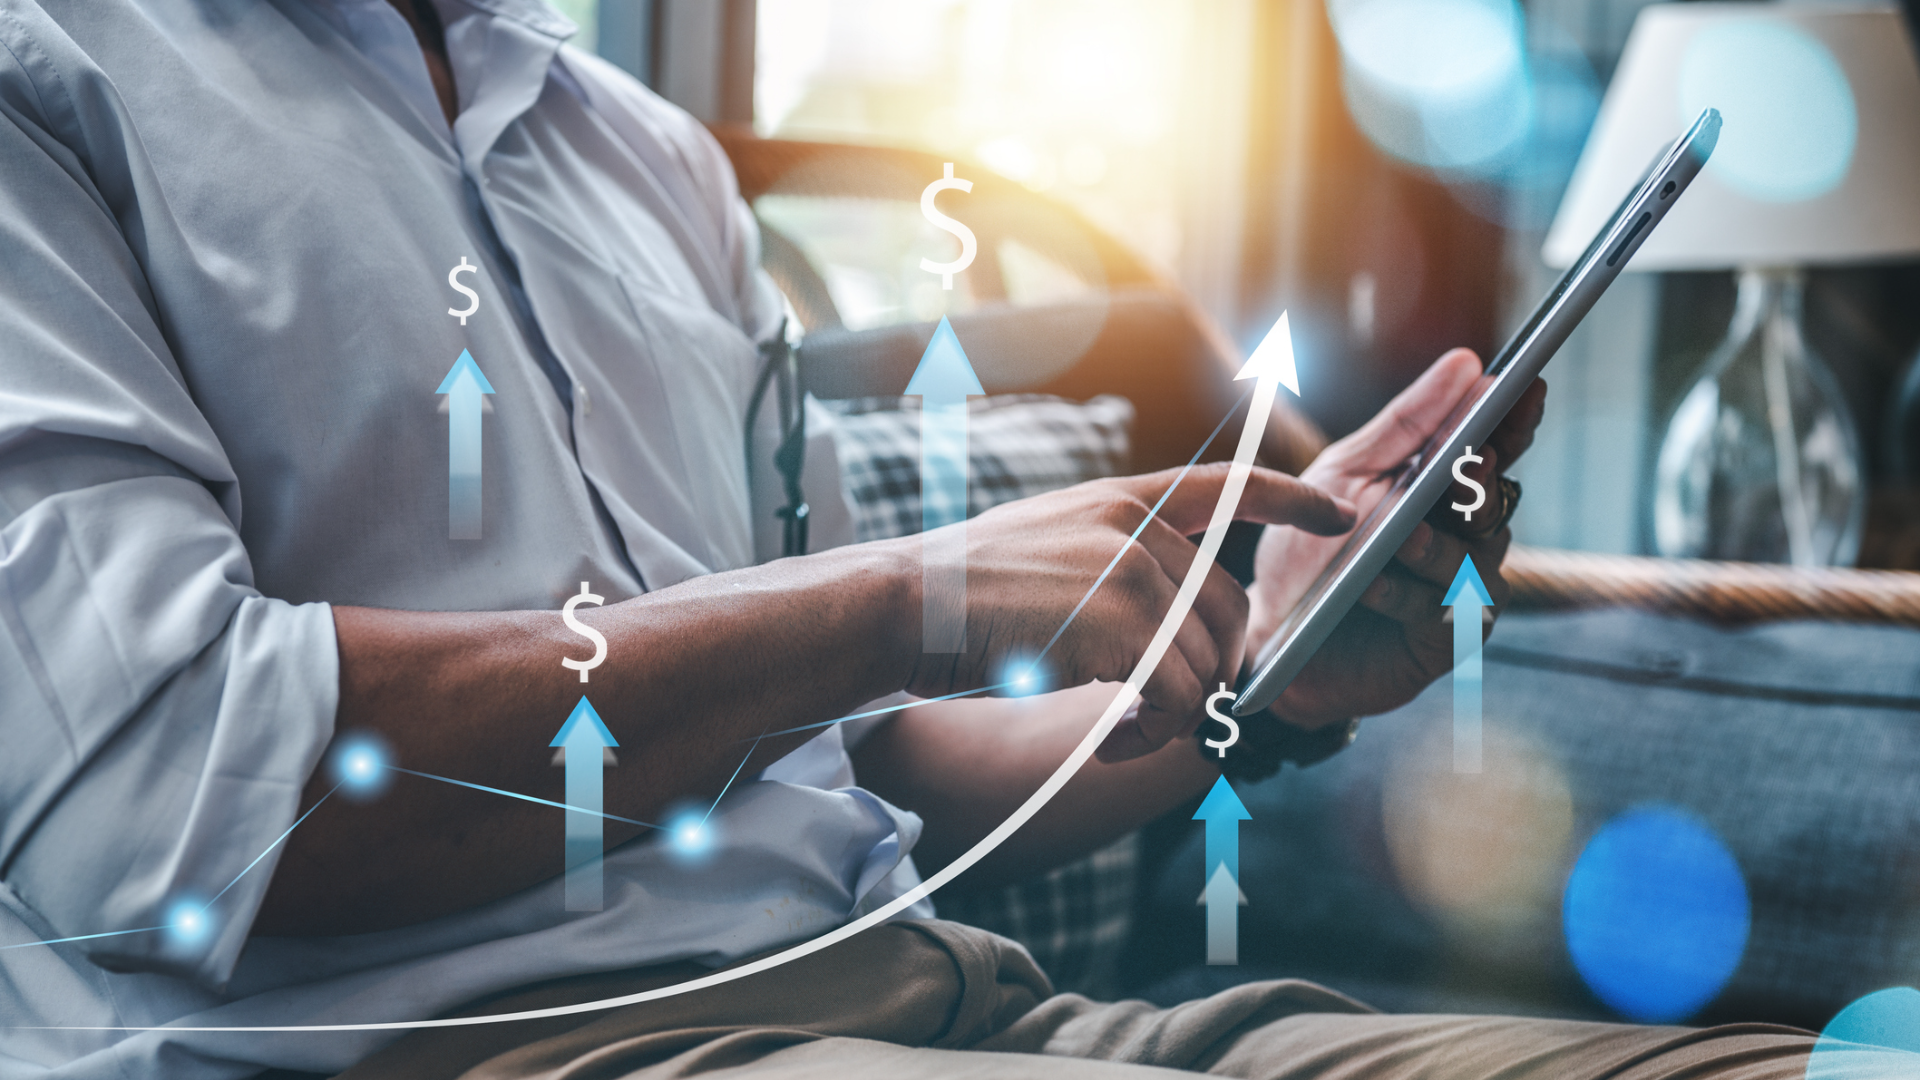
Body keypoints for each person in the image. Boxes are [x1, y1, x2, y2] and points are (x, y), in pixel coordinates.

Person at [0, 2, 1892, 1079]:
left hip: (945, 1008)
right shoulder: (54, 85)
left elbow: (872, 759)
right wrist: (906, 594)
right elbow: (177, 802)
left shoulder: (644, 161)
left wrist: (1254, 681)